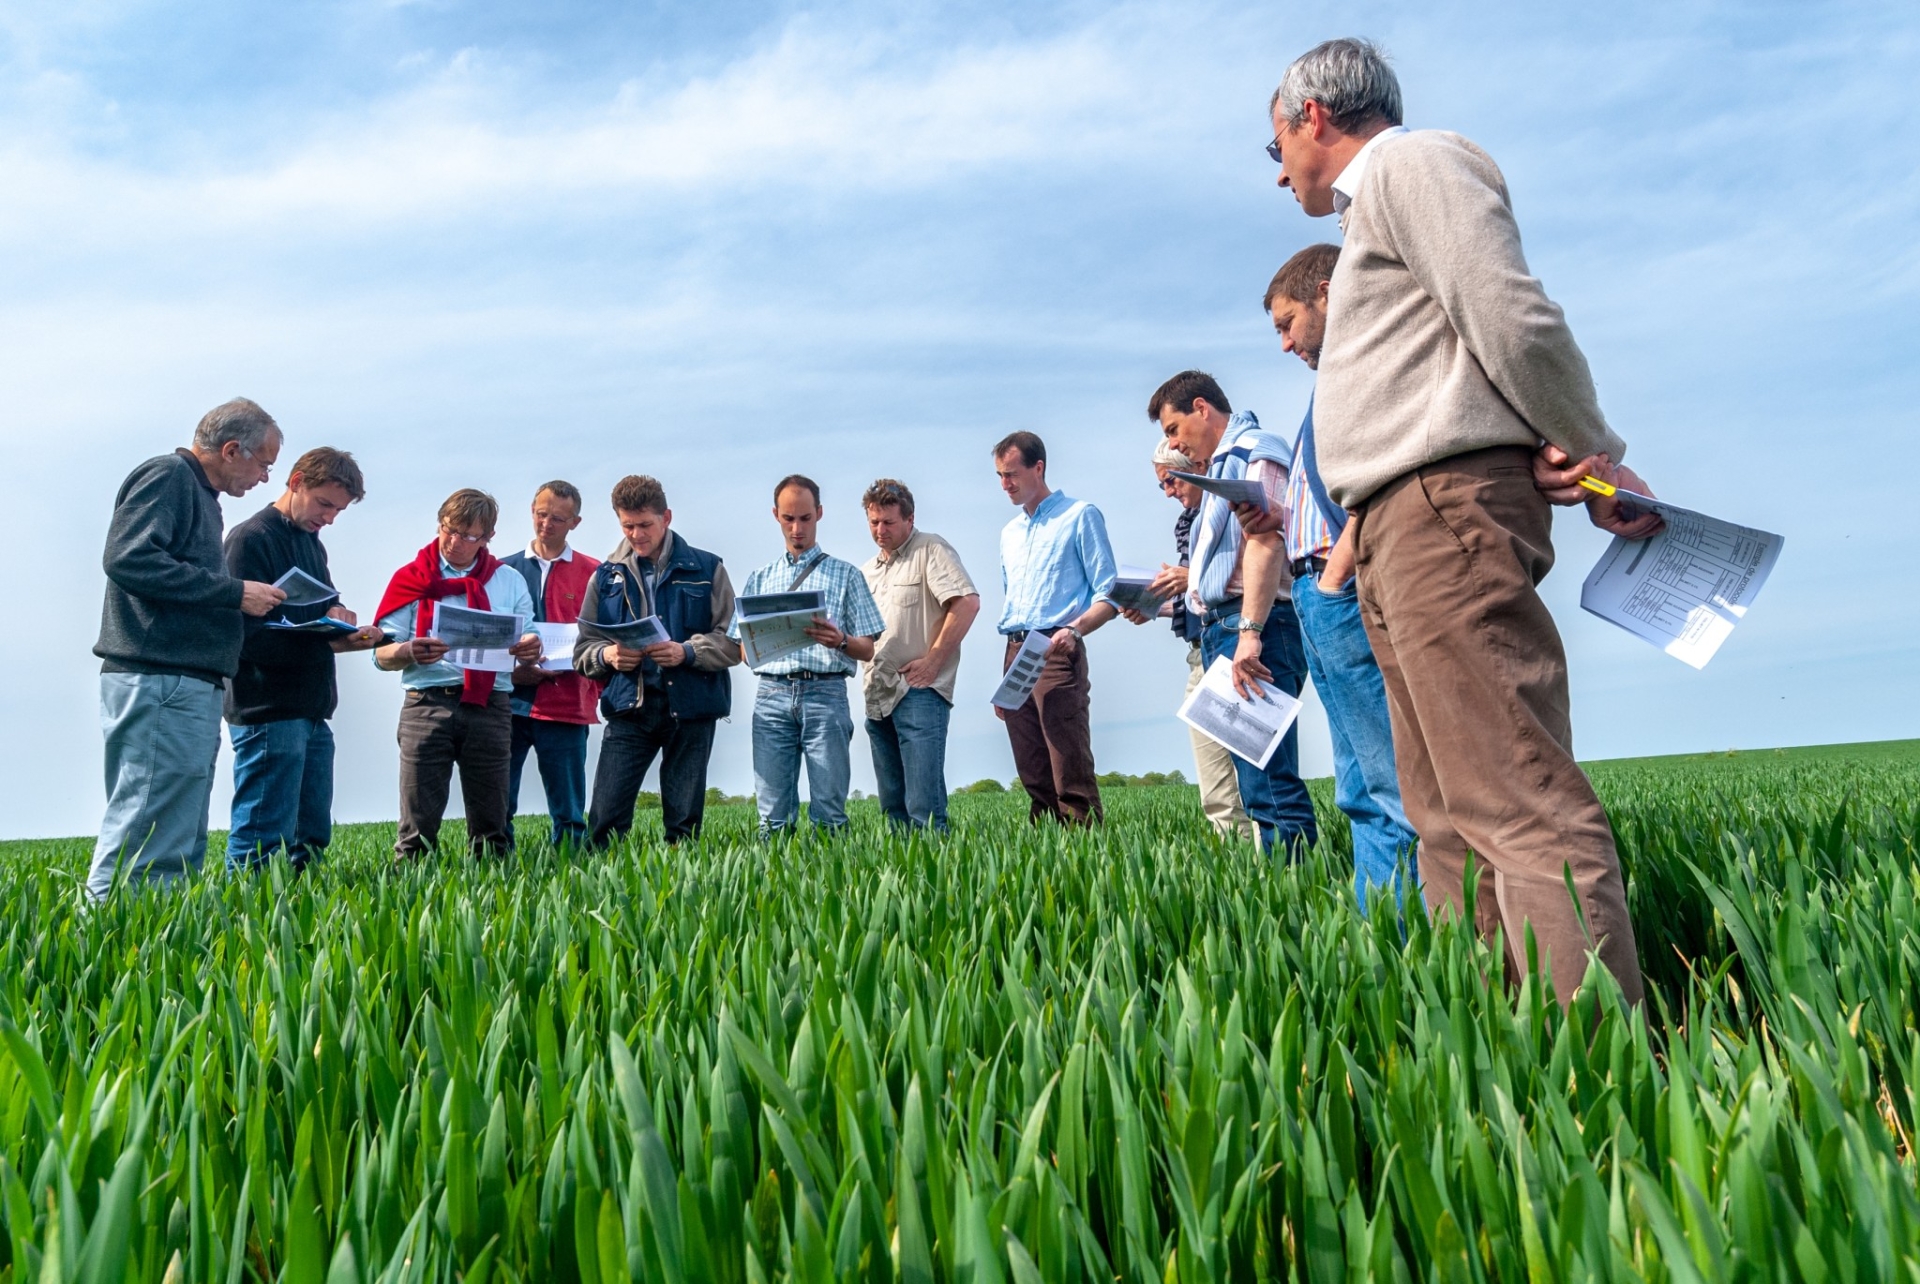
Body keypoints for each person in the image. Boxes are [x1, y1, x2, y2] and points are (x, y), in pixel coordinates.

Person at [1268, 37, 1662, 1002]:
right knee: (1442, 818)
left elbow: (1510, 315)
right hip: (1401, 525)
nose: (1278, 169)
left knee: (1516, 799)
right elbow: (1455, 358)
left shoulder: (1412, 162)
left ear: (1310, 114)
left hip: (1442, 516)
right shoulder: (1372, 215)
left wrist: (1592, 444)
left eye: (1272, 143)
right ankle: (1496, 1051)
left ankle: (1600, 1081)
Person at [1261, 244, 1420, 906]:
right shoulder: (1331, 384)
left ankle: (1409, 939)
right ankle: (1381, 924)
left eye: (1287, 322)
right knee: (1358, 782)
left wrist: (1332, 581)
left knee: (1385, 782)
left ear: (1326, 292)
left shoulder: (1361, 370)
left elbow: (1379, 480)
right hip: (1321, 592)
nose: (1285, 343)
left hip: (1341, 590)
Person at [89, 398, 288, 900]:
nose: (266, 478)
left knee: (175, 824)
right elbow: (128, 559)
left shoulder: (200, 494)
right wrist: (234, 591)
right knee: (146, 817)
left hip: (183, 681)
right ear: (230, 449)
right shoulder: (169, 476)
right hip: (159, 676)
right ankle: (105, 936)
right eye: (264, 463)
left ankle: (153, 941)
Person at [1151, 372, 1317, 856]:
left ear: (1201, 408)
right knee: (1253, 777)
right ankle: (1284, 885)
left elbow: (1270, 538)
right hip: (1226, 627)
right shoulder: (1224, 463)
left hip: (1254, 626)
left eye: (1173, 429)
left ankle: (1300, 893)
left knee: (1267, 779)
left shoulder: (1253, 452)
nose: (1174, 443)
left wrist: (1250, 633)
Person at [222, 446, 383, 872]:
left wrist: (341, 620)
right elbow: (242, 638)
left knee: (312, 833)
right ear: (295, 482)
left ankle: (301, 918)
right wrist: (321, 639)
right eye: (324, 504)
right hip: (267, 708)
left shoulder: (312, 544)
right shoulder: (250, 539)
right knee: (262, 835)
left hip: (312, 707)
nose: (329, 518)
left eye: (338, 511)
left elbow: (321, 605)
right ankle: (248, 926)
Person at [372, 489, 542, 861]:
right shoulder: (411, 577)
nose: (454, 541)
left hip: (490, 706)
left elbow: (531, 634)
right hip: (426, 704)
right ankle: (408, 903)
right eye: (449, 529)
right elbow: (380, 654)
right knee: (417, 827)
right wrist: (407, 650)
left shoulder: (509, 580)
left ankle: (492, 905)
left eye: (468, 536)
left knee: (491, 826)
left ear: (487, 538)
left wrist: (531, 644)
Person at [574, 475, 741, 846]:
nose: (636, 534)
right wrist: (608, 655)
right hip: (629, 709)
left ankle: (685, 896)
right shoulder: (604, 577)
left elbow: (733, 642)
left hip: (691, 707)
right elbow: (583, 650)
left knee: (684, 825)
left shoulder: (708, 568)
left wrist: (688, 651)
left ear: (666, 517)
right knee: (604, 823)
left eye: (645, 524)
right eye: (627, 526)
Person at [730, 475, 885, 835]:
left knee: (830, 812)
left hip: (825, 694)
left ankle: (831, 886)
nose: (797, 528)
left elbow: (867, 647)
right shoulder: (760, 578)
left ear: (819, 514)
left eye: (805, 518)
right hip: (772, 693)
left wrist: (839, 640)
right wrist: (751, 649)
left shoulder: (846, 575)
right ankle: (776, 889)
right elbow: (740, 647)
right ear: (776, 516)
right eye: (788, 518)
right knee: (771, 817)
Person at [992, 432, 1118, 826]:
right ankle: (1048, 862)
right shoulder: (1008, 534)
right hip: (1016, 651)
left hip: (1058, 648)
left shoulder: (1080, 515)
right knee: (1031, 768)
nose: (1005, 484)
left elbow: (1109, 595)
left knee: (1068, 765)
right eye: (999, 475)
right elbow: (1012, 601)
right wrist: (1006, 676)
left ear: (1038, 468)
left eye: (1011, 473)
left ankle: (1087, 859)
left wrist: (1075, 631)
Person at [1131, 442, 1251, 839]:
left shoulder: (1226, 516)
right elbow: (1198, 601)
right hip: (1200, 649)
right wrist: (1154, 607)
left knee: (1245, 772)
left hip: (1229, 643)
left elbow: (1239, 580)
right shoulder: (1190, 524)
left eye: (1170, 481)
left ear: (1194, 469)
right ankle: (1240, 865)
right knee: (1214, 776)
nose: (1168, 492)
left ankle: (1268, 867)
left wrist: (1190, 577)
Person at [858, 479, 981, 831]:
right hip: (876, 695)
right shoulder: (866, 572)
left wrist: (934, 661)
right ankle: (902, 880)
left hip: (918, 692)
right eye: (873, 522)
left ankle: (936, 879)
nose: (880, 530)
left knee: (923, 808)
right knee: (892, 806)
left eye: (889, 522)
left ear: (910, 519)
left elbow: (968, 603)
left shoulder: (931, 549)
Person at [501, 481, 601, 849]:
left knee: (570, 810)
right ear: (531, 510)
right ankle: (493, 875)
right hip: (508, 702)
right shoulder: (501, 571)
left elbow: (604, 639)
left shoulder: (596, 572)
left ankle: (571, 877)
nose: (546, 525)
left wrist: (594, 688)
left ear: (575, 522)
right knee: (497, 803)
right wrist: (514, 671)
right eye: (541, 515)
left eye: (557, 518)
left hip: (567, 704)